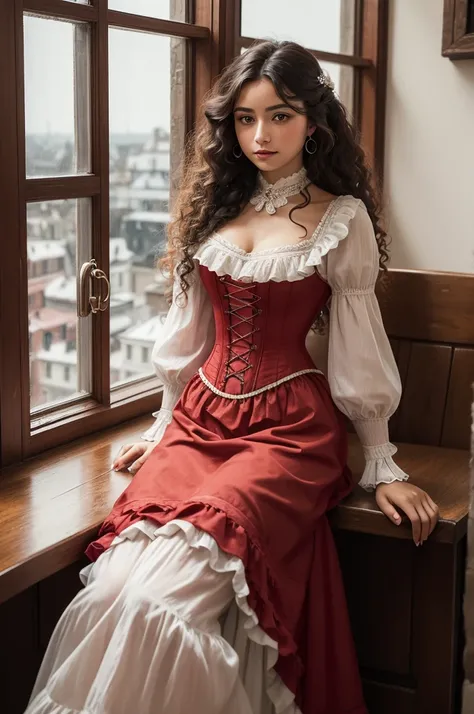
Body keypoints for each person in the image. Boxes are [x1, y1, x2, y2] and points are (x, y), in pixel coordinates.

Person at [25, 40, 439, 714]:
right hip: (198, 423)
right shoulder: (214, 209)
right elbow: (188, 338)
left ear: (315, 122)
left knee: (166, 600)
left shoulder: (343, 218)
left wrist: (382, 462)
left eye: (279, 116)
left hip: (290, 435)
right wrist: (162, 426)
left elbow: (359, 347)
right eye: (245, 119)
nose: (260, 135)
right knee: (109, 592)